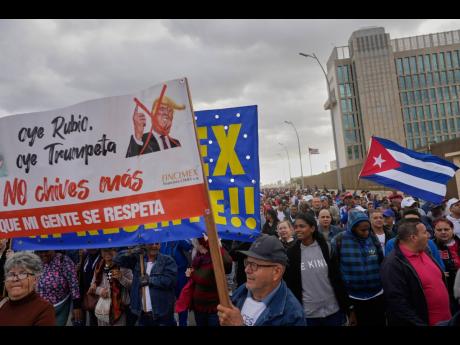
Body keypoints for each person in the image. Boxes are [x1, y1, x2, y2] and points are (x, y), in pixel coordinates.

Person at [217, 234, 306, 326]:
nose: (246, 270)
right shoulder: (242, 291)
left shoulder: (292, 315)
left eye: (254, 265)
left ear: (276, 271)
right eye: (247, 262)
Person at [380, 220, 451, 325]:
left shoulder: (425, 251)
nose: (428, 235)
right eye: (424, 232)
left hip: (446, 319)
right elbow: (398, 303)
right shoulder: (393, 264)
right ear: (413, 237)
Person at [284, 213, 348, 326]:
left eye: (302, 226)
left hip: (333, 311)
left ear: (312, 228)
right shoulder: (291, 253)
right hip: (308, 315)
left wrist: (347, 307)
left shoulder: (326, 248)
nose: (298, 229)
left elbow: (337, 278)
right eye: (296, 227)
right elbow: (291, 284)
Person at [330, 209, 386, 326]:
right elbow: (335, 272)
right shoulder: (339, 240)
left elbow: (382, 262)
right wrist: (347, 306)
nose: (366, 233)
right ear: (352, 227)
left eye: (368, 229)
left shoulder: (372, 238)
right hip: (353, 298)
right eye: (362, 230)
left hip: (377, 296)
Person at [114, 243, 177, 326]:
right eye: (151, 243)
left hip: (162, 315)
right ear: (145, 245)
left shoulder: (167, 260)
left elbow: (170, 281)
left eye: (157, 243)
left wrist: (149, 280)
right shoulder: (138, 260)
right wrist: (133, 250)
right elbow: (117, 259)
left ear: (160, 245)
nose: (154, 246)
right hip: (142, 315)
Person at [0, 252, 55, 326]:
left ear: (35, 279)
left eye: (22, 273)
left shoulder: (44, 309)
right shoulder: (2, 304)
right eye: (11, 274)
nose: (15, 279)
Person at [188, 237, 233, 326]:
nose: (196, 246)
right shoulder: (197, 257)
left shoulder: (215, 257)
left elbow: (228, 263)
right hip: (198, 306)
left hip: (213, 307)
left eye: (199, 244)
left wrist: (215, 244)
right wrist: (190, 273)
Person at [36, 250, 82, 326]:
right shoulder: (36, 262)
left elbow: (74, 284)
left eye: (46, 251)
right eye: (40, 252)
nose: (43, 254)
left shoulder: (64, 260)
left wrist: (76, 306)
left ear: (53, 249)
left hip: (60, 307)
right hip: (40, 309)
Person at [89, 248, 133, 326]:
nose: (107, 253)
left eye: (110, 250)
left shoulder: (124, 266)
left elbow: (132, 285)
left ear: (116, 251)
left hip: (119, 309)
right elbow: (92, 285)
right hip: (103, 309)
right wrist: (100, 291)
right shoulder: (99, 266)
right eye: (104, 250)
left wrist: (121, 278)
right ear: (101, 252)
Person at [160, 240, 193, 326]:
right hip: (166, 274)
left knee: (182, 300)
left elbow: (189, 246)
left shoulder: (179, 237)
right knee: (167, 302)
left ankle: (183, 323)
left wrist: (180, 237)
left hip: (180, 273)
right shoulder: (161, 239)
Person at [432, 218, 460, 313]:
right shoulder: (430, 247)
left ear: (452, 230)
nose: (443, 232)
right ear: (434, 231)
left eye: (446, 229)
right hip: (444, 290)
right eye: (439, 230)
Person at [78, 248, 102, 326]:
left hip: (99, 294)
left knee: (97, 319)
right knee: (91, 317)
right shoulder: (85, 256)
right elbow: (82, 275)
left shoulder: (102, 257)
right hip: (86, 293)